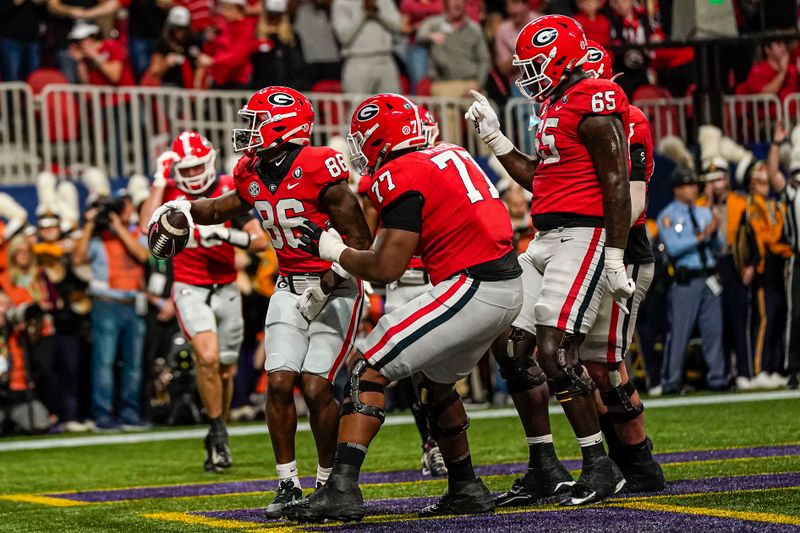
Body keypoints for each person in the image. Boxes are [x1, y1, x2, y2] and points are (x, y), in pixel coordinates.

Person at [283, 93, 522, 522]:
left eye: (363, 139)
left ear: (379, 137)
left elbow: (384, 269)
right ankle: (465, 486)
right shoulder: (450, 151)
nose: (360, 150)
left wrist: (332, 248)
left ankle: (341, 488)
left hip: (473, 284)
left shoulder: (400, 172)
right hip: (501, 282)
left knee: (367, 365)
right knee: (436, 384)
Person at [148, 87, 372, 515]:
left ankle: (328, 485)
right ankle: (288, 483)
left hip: (338, 283)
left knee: (316, 386)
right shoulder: (252, 170)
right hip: (289, 284)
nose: (247, 131)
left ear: (283, 128)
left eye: (256, 122)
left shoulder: (317, 166)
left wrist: (327, 283)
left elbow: (361, 241)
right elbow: (223, 207)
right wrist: (185, 208)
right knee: (280, 382)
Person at [467, 15, 634, 506]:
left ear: (561, 57)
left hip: (584, 236)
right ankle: (544, 463)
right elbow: (539, 179)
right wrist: (497, 141)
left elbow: (617, 185)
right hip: (545, 236)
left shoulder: (595, 98)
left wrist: (616, 253)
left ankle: (600, 466)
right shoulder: (557, 104)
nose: (529, 74)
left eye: (536, 63)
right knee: (511, 348)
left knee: (554, 353)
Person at [140, 131, 269, 471]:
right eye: (188, 168)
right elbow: (144, 225)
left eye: (199, 166)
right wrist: (158, 179)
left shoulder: (228, 185)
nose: (195, 174)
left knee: (225, 370)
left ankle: (217, 431)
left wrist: (225, 233)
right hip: (189, 288)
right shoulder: (168, 191)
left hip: (226, 286)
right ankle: (218, 431)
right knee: (207, 357)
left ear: (210, 161)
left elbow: (259, 241)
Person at [578, 42, 664, 493]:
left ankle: (639, 465)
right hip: (592, 250)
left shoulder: (629, 121)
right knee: (581, 362)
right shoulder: (563, 118)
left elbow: (632, 202)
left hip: (622, 252)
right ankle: (615, 464)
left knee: (607, 365)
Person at [73, 191, 150, 430]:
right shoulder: (99, 237)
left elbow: (143, 255)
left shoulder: (138, 234)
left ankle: (130, 413)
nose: (125, 212)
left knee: (133, 364)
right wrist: (89, 224)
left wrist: (119, 228)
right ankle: (103, 414)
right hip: (106, 304)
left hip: (133, 304)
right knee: (104, 362)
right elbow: (77, 259)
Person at [657, 167, 727, 394]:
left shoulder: (704, 212)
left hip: (708, 276)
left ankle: (718, 378)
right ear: (677, 189)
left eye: (694, 184)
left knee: (713, 331)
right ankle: (671, 381)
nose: (693, 189)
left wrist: (714, 232)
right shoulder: (668, 215)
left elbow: (719, 246)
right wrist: (701, 236)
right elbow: (674, 248)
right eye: (688, 185)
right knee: (679, 332)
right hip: (685, 280)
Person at [416, 0, 490, 98]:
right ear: (446, 3)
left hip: (469, 83)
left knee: (486, 108)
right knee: (448, 107)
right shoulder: (434, 23)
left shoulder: (474, 29)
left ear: (465, 3)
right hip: (443, 84)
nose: (457, 3)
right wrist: (431, 36)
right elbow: (420, 36)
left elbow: (484, 59)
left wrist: (478, 84)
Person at [331, 0, 403, 94]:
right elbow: (344, 36)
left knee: (392, 105)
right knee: (358, 106)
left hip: (386, 59)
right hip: (358, 60)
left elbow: (398, 27)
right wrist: (363, 12)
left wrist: (377, 13)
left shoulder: (385, 1)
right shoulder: (341, 3)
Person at [148, 6, 205, 88]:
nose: (180, 32)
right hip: (170, 86)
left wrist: (197, 85)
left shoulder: (194, 41)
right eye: (176, 28)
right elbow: (155, 70)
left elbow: (201, 66)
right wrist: (166, 63)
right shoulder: (164, 42)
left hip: (191, 86)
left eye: (183, 28)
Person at [66, 21, 135, 87]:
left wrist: (95, 56)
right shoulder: (86, 56)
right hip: (99, 98)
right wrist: (80, 62)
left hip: (122, 98)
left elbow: (115, 77)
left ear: (91, 38)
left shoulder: (111, 46)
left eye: (80, 41)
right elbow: (86, 83)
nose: (79, 45)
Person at [0, 0, 44, 82]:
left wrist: (41, 3)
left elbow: (46, 15)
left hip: (33, 40)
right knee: (12, 77)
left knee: (34, 77)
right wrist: (15, 2)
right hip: (10, 40)